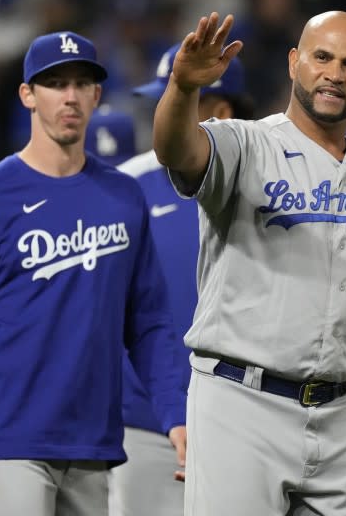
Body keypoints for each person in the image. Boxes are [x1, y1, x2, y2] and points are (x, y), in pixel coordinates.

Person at [152, 11, 346, 516]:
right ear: (293, 63)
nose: (334, 73)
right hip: (241, 405)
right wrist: (182, 88)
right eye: (321, 57)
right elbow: (177, 150)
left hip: (341, 416)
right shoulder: (245, 145)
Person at [0, 30, 187, 516]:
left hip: (92, 440)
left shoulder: (124, 196)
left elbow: (148, 324)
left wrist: (176, 415)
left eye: (81, 83)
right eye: (55, 83)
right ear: (27, 94)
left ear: (96, 95)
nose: (69, 96)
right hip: (9, 436)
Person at [109, 43, 252, 516]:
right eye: (161, 99)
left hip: (248, 419)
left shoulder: (269, 185)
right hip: (144, 422)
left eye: (182, 96)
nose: (163, 112)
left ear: (223, 110)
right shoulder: (126, 185)